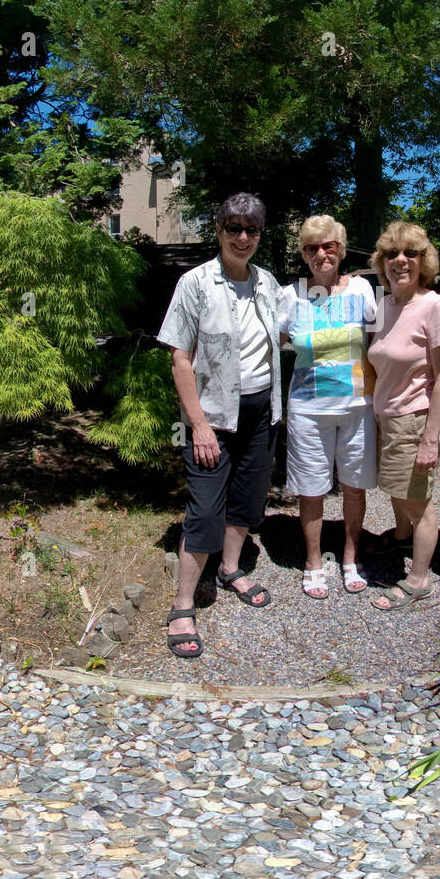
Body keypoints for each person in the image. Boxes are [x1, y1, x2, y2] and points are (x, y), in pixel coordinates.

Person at [156, 193, 285, 656]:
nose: (243, 237)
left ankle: (230, 569)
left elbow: (287, 335)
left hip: (260, 411)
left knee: (248, 500)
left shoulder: (268, 282)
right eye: (234, 227)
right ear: (219, 229)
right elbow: (180, 358)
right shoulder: (194, 283)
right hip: (213, 416)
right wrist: (199, 425)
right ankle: (183, 604)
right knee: (206, 509)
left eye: (251, 229)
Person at [281, 216, 382, 599]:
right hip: (308, 407)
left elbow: (378, 344)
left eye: (329, 246)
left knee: (354, 486)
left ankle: (350, 557)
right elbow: (271, 343)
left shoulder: (362, 289)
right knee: (311, 488)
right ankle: (313, 561)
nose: (321, 254)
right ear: (304, 255)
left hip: (357, 405)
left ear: (341, 248)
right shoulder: (290, 295)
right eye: (312, 248)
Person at [364, 219, 440, 609]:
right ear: (382, 261)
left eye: (411, 253)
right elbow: (373, 363)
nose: (400, 260)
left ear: (424, 261)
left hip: (414, 418)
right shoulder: (383, 305)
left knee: (418, 501)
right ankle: (401, 536)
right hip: (385, 416)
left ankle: (418, 579)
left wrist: (430, 439)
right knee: (397, 489)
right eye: (391, 253)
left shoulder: (433, 305)